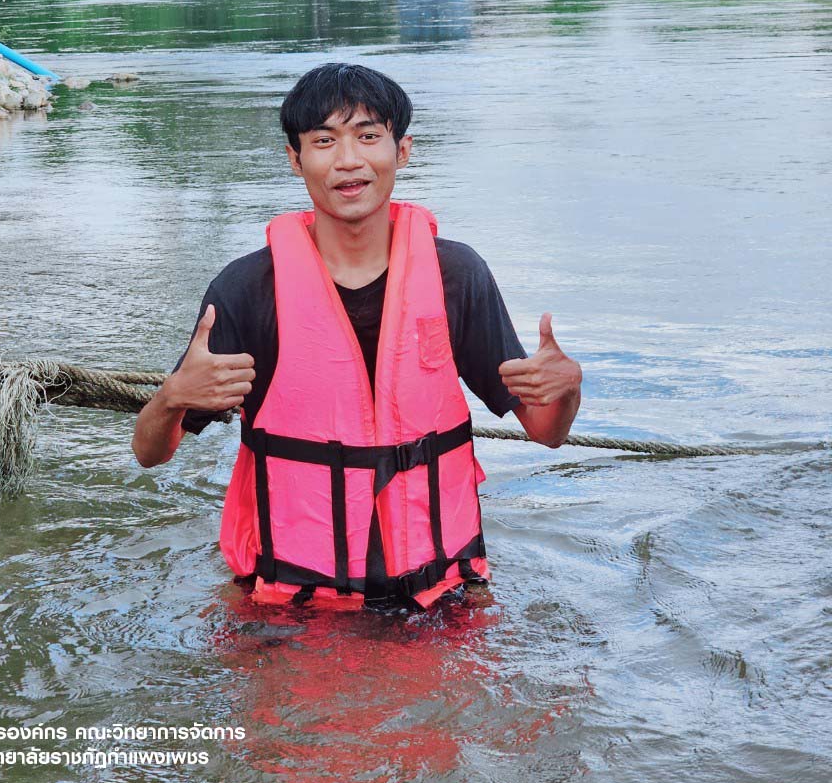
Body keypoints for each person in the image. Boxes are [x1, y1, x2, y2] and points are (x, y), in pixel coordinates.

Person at [132, 63, 582, 611]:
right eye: (324, 141)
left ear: (402, 150)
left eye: (368, 136)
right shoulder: (246, 289)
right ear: (295, 159)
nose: (348, 160)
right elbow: (150, 453)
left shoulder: (456, 276)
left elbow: (547, 432)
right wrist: (171, 397)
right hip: (290, 605)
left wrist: (567, 390)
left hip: (441, 596)